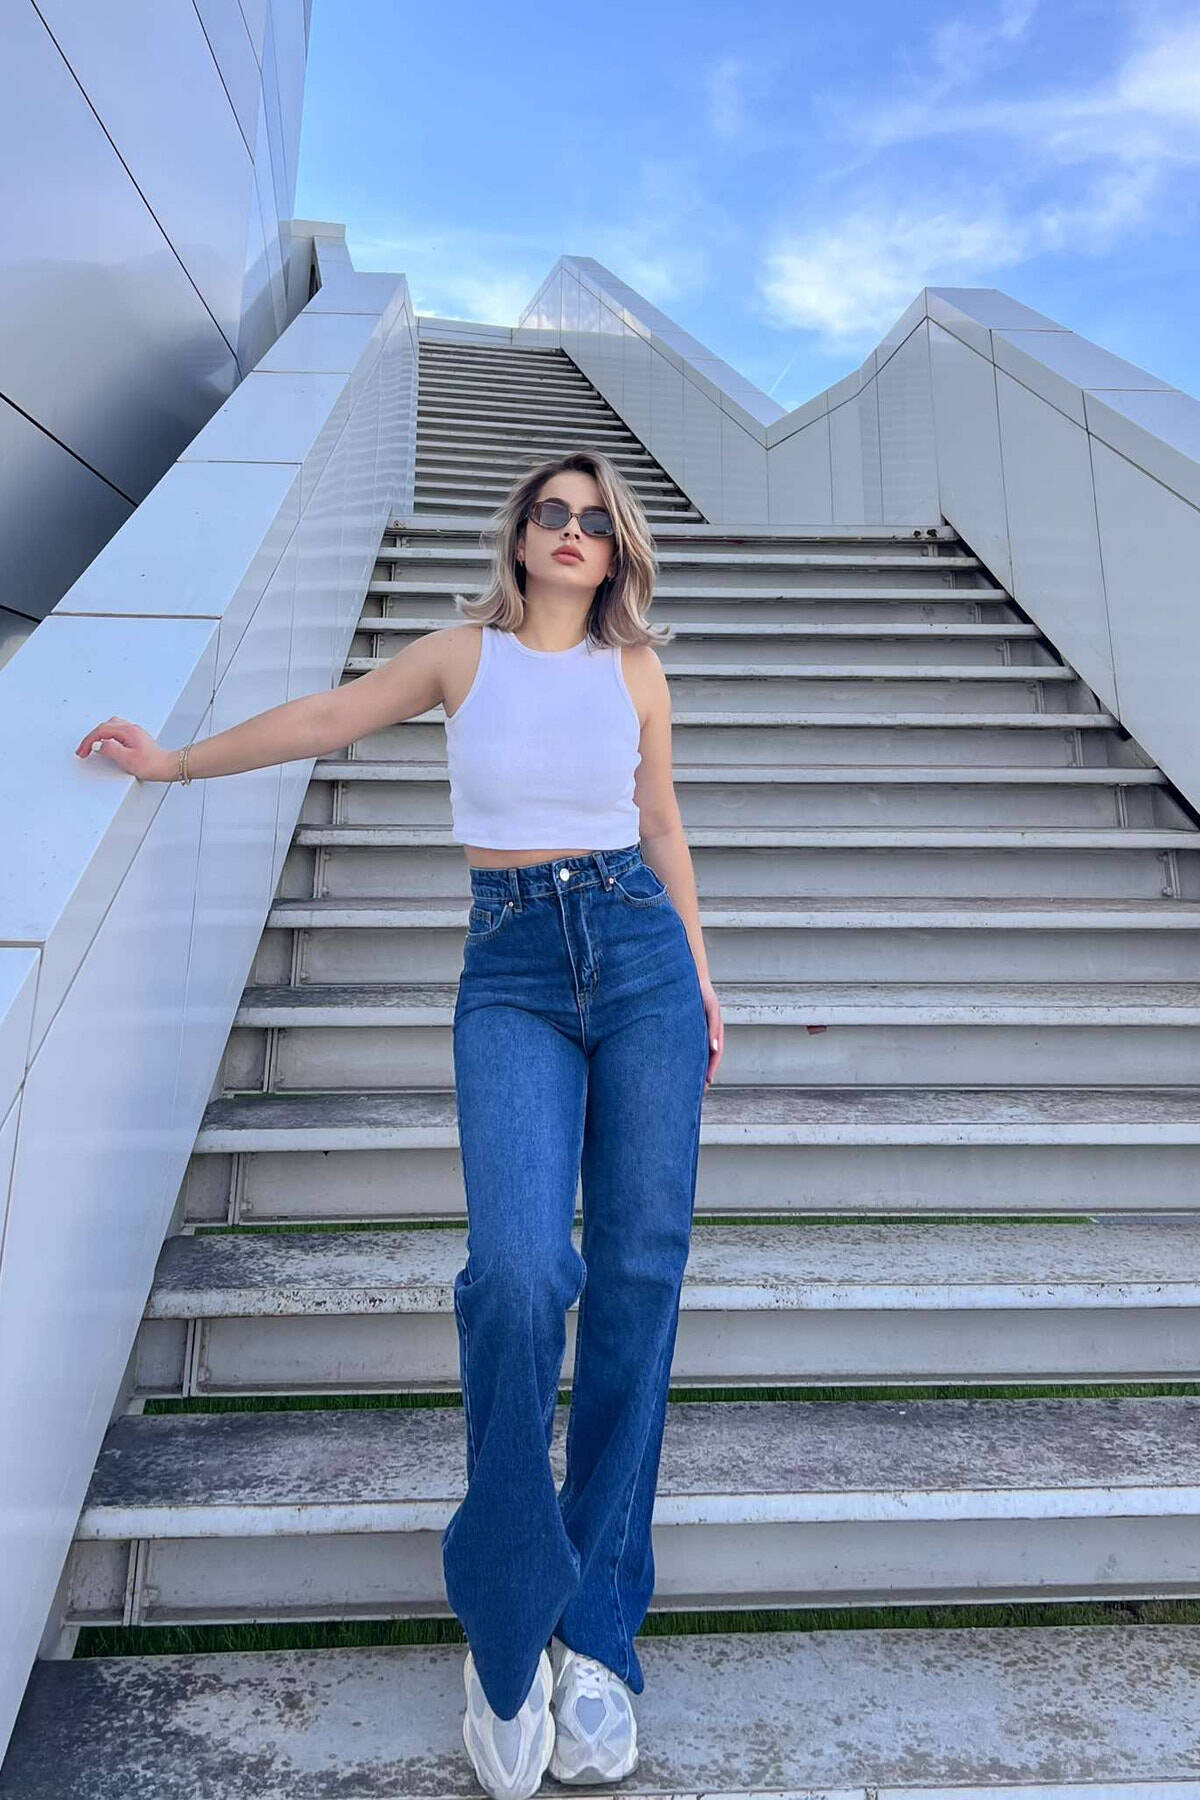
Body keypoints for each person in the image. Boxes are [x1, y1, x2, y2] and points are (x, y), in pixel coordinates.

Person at [75, 448, 724, 1800]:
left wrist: (706, 982)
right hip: (514, 968)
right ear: (520, 533)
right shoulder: (458, 657)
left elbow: (662, 825)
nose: (572, 531)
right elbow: (327, 716)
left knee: (640, 1280)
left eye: (596, 521)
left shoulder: (636, 674)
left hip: (643, 960)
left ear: (617, 552)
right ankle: (508, 1620)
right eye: (551, 512)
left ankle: (599, 1635)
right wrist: (175, 763)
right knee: (521, 1273)